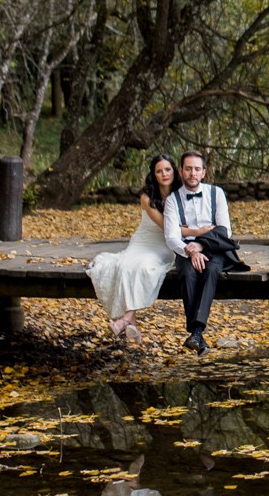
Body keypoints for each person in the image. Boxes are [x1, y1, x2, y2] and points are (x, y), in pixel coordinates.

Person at [87, 155, 178, 343]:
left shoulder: (180, 193)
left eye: (167, 170)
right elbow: (164, 224)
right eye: (159, 171)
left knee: (144, 266)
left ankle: (127, 319)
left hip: (164, 244)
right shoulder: (147, 197)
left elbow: (171, 232)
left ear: (174, 171)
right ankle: (131, 320)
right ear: (154, 175)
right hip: (144, 240)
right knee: (125, 265)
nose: (164, 174)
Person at [163, 150, 233, 352]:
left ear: (203, 172)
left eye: (196, 169)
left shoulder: (216, 193)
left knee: (211, 270)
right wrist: (190, 251)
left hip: (213, 247)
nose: (192, 173)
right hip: (185, 249)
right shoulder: (172, 200)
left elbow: (225, 229)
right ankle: (197, 335)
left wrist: (201, 245)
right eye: (188, 169)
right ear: (181, 172)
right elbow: (171, 236)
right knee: (187, 273)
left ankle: (195, 332)